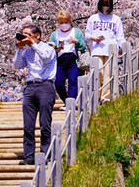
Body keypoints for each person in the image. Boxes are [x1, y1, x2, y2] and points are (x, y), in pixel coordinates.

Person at [12, 24, 57, 166]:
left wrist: (33, 45)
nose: (25, 37)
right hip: (30, 87)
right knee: (28, 125)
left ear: (37, 35)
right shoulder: (27, 51)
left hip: (45, 85)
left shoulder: (48, 48)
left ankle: (46, 155)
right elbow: (18, 65)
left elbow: (45, 57)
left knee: (45, 123)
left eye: (27, 34)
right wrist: (20, 48)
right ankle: (29, 157)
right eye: (23, 34)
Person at [84, 0, 125, 102]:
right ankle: (96, 95)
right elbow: (87, 36)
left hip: (111, 49)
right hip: (97, 49)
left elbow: (120, 36)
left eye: (107, 5)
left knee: (109, 74)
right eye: (103, 5)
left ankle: (105, 97)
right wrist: (93, 38)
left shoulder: (116, 19)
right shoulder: (93, 18)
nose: (105, 8)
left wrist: (123, 47)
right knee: (98, 72)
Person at [48, 11, 87, 109]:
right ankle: (66, 100)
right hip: (60, 60)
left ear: (69, 22)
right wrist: (55, 49)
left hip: (73, 59)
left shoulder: (76, 32)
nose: (63, 24)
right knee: (58, 83)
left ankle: (71, 103)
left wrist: (76, 42)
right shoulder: (55, 34)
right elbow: (50, 49)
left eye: (65, 22)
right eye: (61, 23)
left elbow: (83, 46)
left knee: (73, 81)